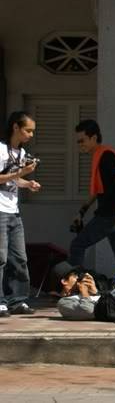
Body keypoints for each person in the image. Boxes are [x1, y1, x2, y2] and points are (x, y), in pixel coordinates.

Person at [69, 119, 115, 270]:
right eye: (78, 141)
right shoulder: (98, 157)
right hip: (113, 215)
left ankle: (75, 285)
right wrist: (81, 211)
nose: (80, 144)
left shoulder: (105, 156)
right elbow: (98, 191)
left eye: (82, 140)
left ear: (93, 138)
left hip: (109, 215)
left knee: (77, 245)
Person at [0, 111, 41, 317]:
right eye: (28, 130)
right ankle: (1, 301)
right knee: (1, 258)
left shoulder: (21, 153)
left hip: (14, 211)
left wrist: (28, 184)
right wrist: (20, 174)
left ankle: (18, 300)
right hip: (0, 210)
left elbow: (14, 181)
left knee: (19, 258)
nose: (31, 135)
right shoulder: (0, 149)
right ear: (16, 127)